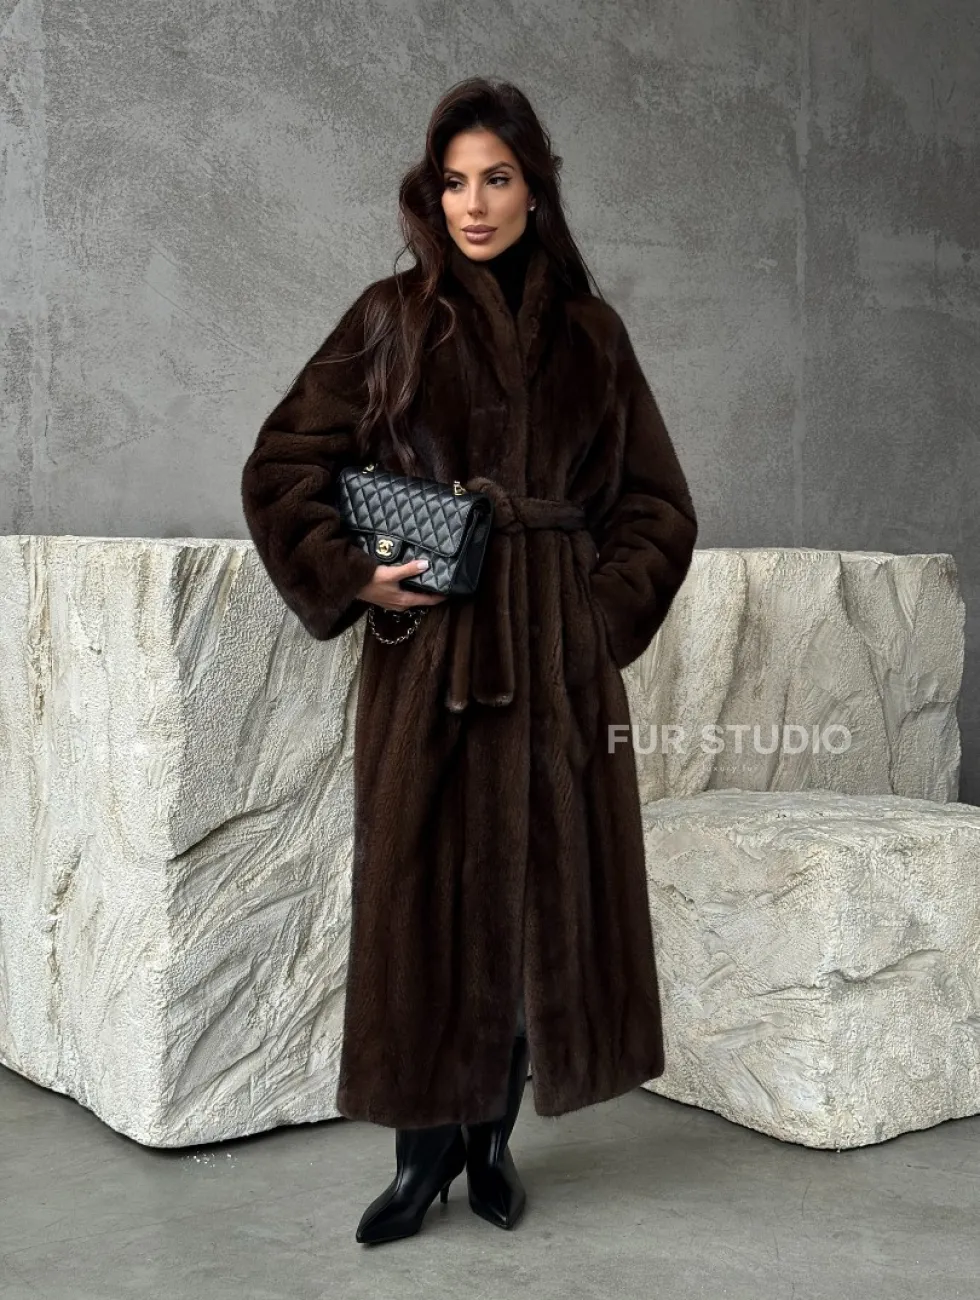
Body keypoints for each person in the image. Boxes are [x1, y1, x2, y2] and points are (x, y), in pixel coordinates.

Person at [240, 77, 698, 1245]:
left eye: (496, 177)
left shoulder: (592, 337)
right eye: (453, 181)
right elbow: (283, 465)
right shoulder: (391, 317)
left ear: (535, 189)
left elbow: (656, 506)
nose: (474, 203)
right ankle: (419, 1155)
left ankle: (491, 1140)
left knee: (538, 904)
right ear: (430, 192)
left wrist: (590, 620)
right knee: (420, 906)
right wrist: (353, 572)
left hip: (555, 667)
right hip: (432, 662)